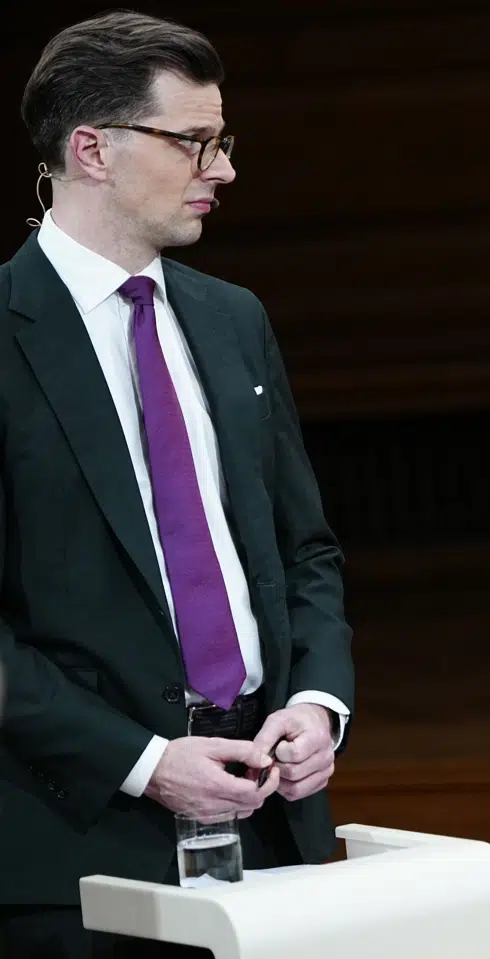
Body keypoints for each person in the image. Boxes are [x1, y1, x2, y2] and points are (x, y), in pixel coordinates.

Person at [0, 12, 354, 957]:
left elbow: (305, 550)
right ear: (92, 150)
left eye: (221, 140)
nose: (224, 167)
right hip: (76, 845)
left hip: (270, 818)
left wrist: (319, 703)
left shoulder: (233, 318)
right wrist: (146, 762)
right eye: (193, 141)